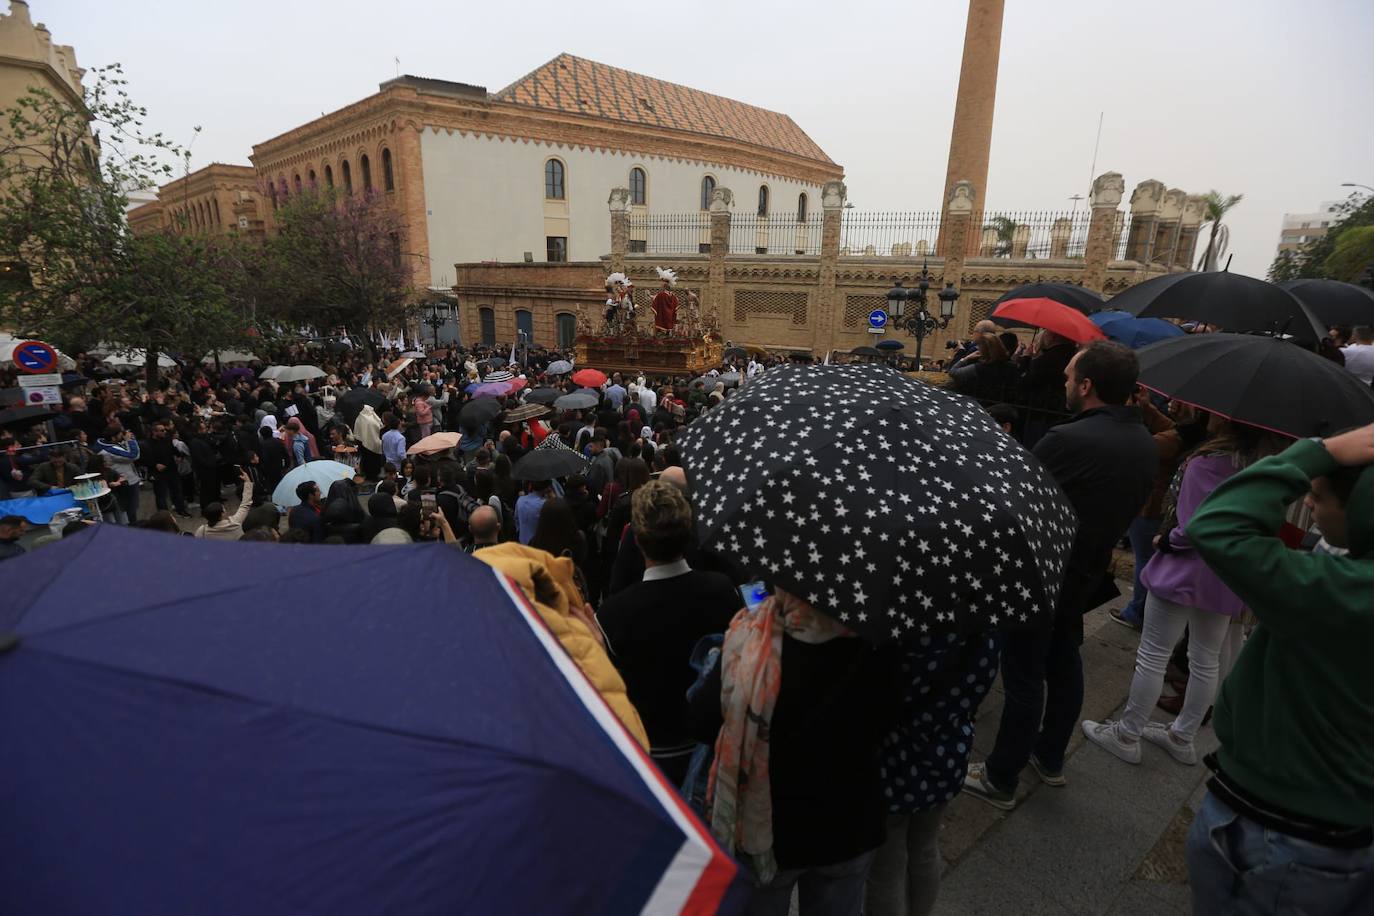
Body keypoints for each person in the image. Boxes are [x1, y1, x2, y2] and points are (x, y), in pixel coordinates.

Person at [1183, 423, 1374, 913]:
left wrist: (1318, 452)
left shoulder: (1345, 595)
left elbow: (1217, 524)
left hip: (1285, 832)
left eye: (1318, 497)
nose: (1308, 505)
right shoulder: (1348, 581)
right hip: (1317, 823)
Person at [964, 340, 1156, 809]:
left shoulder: (1071, 440)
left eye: (1069, 377)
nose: (1064, 383)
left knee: (1025, 676)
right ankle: (1049, 757)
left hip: (1042, 576)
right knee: (1064, 662)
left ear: (1087, 386)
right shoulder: (1142, 440)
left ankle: (1000, 776)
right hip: (1087, 572)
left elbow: (1010, 500)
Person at [1083, 416, 1286, 765]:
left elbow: (1194, 526)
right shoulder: (1266, 469)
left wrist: (1167, 538)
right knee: (1205, 659)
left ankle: (1127, 733)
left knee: (1153, 654)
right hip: (1226, 575)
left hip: (1184, 570)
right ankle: (1183, 735)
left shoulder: (1208, 462)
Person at [687, 588, 900, 915]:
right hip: (850, 824)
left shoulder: (751, 642)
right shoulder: (876, 639)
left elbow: (702, 722)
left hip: (772, 831)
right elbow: (889, 720)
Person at [595, 482, 739, 783]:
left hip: (651, 755)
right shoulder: (723, 592)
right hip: (716, 749)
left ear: (637, 539)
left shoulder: (613, 615)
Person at [866, 631, 999, 916]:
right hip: (948, 750)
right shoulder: (986, 620)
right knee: (925, 848)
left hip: (894, 757)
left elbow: (884, 688)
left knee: (886, 862)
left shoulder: (904, 623)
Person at [194, 470, 255, 541]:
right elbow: (245, 504)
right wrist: (247, 482)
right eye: (223, 509)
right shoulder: (235, 522)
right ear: (222, 514)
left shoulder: (202, 531)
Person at [515, 479, 552, 545]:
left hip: (523, 542)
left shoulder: (520, 500)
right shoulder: (545, 504)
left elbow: (517, 521)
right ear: (547, 488)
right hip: (538, 545)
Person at [353, 403, 384, 479]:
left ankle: (369, 475)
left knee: (367, 461)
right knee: (375, 461)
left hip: (364, 445)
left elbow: (357, 433)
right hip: (376, 444)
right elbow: (380, 425)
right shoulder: (374, 418)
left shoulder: (360, 418)